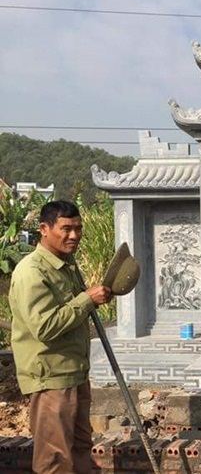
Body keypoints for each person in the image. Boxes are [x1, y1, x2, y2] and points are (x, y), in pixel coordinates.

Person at [9, 200, 112, 474]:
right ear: (44, 229)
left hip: (74, 373)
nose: (74, 236)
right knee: (54, 459)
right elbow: (45, 327)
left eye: (78, 229)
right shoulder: (32, 272)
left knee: (80, 450)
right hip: (50, 377)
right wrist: (86, 300)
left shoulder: (66, 265)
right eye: (66, 229)